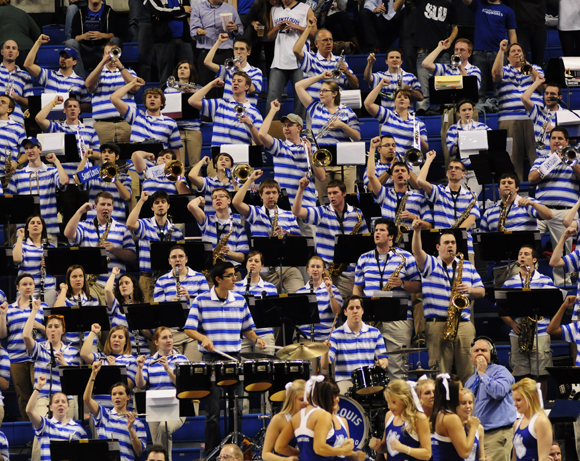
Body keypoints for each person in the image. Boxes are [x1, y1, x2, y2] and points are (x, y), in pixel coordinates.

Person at [183, 262, 266, 457]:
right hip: (211, 359)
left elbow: (246, 328)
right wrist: (203, 338)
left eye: (235, 275)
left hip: (233, 358)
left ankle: (234, 452)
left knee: (236, 410)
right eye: (230, 276)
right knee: (212, 412)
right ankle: (213, 454)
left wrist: (257, 339)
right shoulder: (201, 300)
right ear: (218, 279)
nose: (235, 279)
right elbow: (189, 328)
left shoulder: (239, 300)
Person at [411, 227, 485, 383]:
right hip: (437, 323)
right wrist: (416, 232)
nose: (450, 245)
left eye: (453, 242)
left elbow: (482, 292)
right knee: (440, 372)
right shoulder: (430, 263)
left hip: (463, 324)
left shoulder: (467, 266)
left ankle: (467, 403)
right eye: (446, 243)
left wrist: (469, 289)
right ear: (438, 247)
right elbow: (417, 251)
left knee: (468, 371)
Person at [353, 218, 421, 379]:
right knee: (368, 364)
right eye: (376, 230)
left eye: (382, 230)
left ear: (391, 236)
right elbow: (357, 288)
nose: (377, 233)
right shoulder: (364, 258)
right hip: (371, 318)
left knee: (397, 366)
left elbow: (418, 286)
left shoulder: (406, 257)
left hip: (399, 318)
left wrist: (402, 283)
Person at [293, 177, 369, 300]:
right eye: (329, 193)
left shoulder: (357, 214)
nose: (331, 197)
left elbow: (364, 242)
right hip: (326, 271)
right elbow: (296, 211)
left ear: (344, 194)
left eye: (335, 193)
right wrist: (301, 189)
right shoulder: (322, 212)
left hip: (348, 271)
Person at [231, 170, 304, 293]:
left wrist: (285, 234)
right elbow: (236, 202)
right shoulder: (255, 212)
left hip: (287, 268)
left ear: (278, 194)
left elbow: (299, 241)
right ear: (261, 195)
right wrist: (251, 180)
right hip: (263, 271)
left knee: (300, 296)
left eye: (274, 193)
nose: (271, 196)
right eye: (267, 193)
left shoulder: (289, 215)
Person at [258, 105, 325, 235]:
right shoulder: (279, 146)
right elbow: (261, 134)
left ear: (299, 128)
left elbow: (321, 177)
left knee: (308, 246)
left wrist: (311, 154)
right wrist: (272, 111)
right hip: (284, 207)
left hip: (306, 205)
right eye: (284, 126)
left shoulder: (310, 148)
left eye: (290, 125)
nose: (286, 128)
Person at [35, 94, 100, 224]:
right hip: (66, 179)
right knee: (69, 217)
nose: (72, 109)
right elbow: (39, 118)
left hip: (85, 178)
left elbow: (99, 154)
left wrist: (90, 153)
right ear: (64, 110)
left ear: (79, 110)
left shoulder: (90, 130)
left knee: (85, 217)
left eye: (75, 106)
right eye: (69, 106)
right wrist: (53, 103)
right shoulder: (58, 128)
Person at [500, 246, 556, 396]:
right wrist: (512, 324)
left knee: (540, 376)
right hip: (518, 334)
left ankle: (540, 408)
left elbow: (554, 305)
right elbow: (501, 309)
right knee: (521, 377)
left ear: (535, 259)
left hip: (541, 333)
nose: (522, 256)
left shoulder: (545, 280)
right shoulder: (509, 283)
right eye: (520, 254)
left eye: (526, 254)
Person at [64, 191, 137, 304]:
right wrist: (79, 212)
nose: (105, 208)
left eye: (108, 205)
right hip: (91, 285)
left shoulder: (122, 229)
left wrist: (114, 250)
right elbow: (68, 234)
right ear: (95, 207)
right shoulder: (84, 225)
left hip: (116, 285)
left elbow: (132, 256)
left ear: (112, 207)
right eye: (102, 204)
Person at [295, 70, 361, 195]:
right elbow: (298, 86)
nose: (321, 93)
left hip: (344, 162)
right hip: (321, 161)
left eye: (325, 91)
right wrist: (320, 77)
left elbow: (357, 136)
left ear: (335, 93)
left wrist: (342, 125)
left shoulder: (347, 111)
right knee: (324, 199)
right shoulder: (315, 107)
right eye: (320, 91)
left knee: (346, 198)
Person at [530, 127, 580, 286]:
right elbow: (531, 179)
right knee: (526, 244)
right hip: (541, 212)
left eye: (560, 138)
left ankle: (563, 291)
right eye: (553, 138)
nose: (556, 141)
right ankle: (530, 282)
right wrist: (552, 161)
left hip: (564, 215)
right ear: (549, 141)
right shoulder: (541, 160)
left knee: (562, 255)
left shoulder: (575, 158)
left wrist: (570, 161)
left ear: (567, 142)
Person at [492, 40, 544, 182]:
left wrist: (525, 63)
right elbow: (496, 74)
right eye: (513, 51)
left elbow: (541, 85)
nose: (516, 53)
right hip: (509, 119)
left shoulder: (535, 68)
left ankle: (539, 190)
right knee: (512, 160)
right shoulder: (505, 69)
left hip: (534, 119)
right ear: (508, 57)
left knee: (538, 156)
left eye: (519, 51)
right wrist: (501, 51)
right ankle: (516, 194)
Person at [275, 375, 356, 459]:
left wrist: (302, 453)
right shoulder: (323, 415)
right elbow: (319, 448)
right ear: (324, 396)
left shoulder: (297, 417)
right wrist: (342, 451)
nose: (337, 399)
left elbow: (279, 447)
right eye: (333, 395)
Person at [136, 327, 188, 458]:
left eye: (170, 337)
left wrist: (168, 370)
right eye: (164, 338)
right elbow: (140, 385)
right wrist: (140, 368)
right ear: (156, 342)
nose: (169, 340)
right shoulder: (149, 361)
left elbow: (183, 384)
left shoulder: (181, 359)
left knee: (164, 429)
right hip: (154, 406)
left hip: (177, 405)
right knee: (157, 446)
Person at [0, 274, 46, 420]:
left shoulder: (42, 306)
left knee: (38, 395)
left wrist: (39, 326)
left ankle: (40, 426)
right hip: (16, 357)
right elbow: (2, 335)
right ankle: (28, 430)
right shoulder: (10, 309)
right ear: (18, 287)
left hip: (37, 357)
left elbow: (52, 331)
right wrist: (1, 315)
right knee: (23, 396)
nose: (28, 287)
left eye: (31, 284)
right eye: (24, 284)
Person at [23, 302, 80, 420]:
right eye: (49, 327)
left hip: (65, 399)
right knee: (43, 432)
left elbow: (77, 380)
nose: (52, 330)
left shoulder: (72, 351)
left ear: (63, 330)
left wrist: (64, 365)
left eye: (56, 326)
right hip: (44, 397)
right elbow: (26, 336)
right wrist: (34, 311)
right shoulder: (40, 348)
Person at [417, 153, 480, 259]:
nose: (453, 170)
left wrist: (454, 238)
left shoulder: (471, 195)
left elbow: (471, 220)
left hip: (465, 247)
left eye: (457, 168)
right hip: (443, 247)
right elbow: (420, 181)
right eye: (450, 168)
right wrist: (428, 160)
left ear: (463, 174)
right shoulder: (439, 192)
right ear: (447, 173)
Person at [153, 245, 209, 363]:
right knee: (172, 368)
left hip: (193, 331)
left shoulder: (200, 278)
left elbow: (206, 305)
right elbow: (158, 310)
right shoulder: (161, 281)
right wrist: (170, 306)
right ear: (169, 261)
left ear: (186, 259)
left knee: (192, 368)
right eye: (174, 257)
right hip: (172, 332)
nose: (177, 259)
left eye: (180, 256)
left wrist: (190, 298)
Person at [464, 337, 517, 461]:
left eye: (484, 350)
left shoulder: (502, 372)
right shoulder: (470, 380)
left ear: (491, 354)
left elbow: (498, 392)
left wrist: (483, 374)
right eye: (476, 350)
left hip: (497, 435)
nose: (480, 353)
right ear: (471, 357)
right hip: (476, 435)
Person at [127, 190, 185, 301]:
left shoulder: (176, 232)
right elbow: (129, 223)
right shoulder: (145, 224)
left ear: (168, 206)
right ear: (152, 207)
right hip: (147, 279)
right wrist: (141, 201)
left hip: (169, 278)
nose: (160, 205)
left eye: (163, 202)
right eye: (156, 202)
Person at [322, 295, 388, 393]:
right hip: (345, 380)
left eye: (358, 307)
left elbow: (384, 360)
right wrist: (325, 351)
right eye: (351, 308)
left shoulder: (375, 333)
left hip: (368, 380)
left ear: (362, 310)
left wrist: (382, 363)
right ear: (345, 312)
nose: (355, 311)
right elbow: (324, 365)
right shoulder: (335, 335)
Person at [7, 138, 69, 241]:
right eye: (26, 148)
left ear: (40, 149)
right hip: (25, 231)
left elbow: (64, 181)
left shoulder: (51, 171)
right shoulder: (18, 175)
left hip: (48, 230)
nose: (29, 151)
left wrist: (56, 161)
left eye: (32, 147)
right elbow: (8, 203)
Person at [84, 361, 147, 461]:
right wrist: (94, 373)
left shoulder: (137, 423)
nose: (117, 396)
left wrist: (130, 429)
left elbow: (139, 451)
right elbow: (87, 399)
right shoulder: (104, 414)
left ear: (128, 397)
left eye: (120, 393)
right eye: (114, 394)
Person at [458, 0, 517, 105]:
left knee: (500, 87)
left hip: (499, 53)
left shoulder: (508, 10)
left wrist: (513, 53)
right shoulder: (479, 4)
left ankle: (499, 108)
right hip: (479, 52)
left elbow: (512, 34)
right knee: (478, 89)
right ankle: (477, 109)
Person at [265, 0, 316, 121]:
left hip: (300, 61)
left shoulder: (306, 8)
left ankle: (298, 129)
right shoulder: (274, 9)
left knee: (301, 99)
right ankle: (271, 130)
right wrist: (277, 27)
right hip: (279, 61)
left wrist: (295, 27)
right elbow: (269, 36)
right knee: (272, 97)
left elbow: (314, 33)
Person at [111, 79, 183, 160]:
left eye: (155, 97)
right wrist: (132, 83)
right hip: (135, 167)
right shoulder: (135, 115)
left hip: (159, 168)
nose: (152, 99)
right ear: (145, 102)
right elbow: (114, 98)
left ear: (162, 103)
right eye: (149, 97)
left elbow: (175, 152)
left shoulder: (171, 123)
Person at [84, 42, 139, 144]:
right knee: (103, 159)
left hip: (126, 124)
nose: (110, 56)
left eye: (113, 52)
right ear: (103, 56)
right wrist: (103, 62)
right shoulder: (98, 73)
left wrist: (121, 67)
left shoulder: (129, 72)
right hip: (102, 125)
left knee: (126, 158)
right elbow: (88, 85)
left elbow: (135, 88)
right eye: (107, 53)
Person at [366, 144, 432, 227]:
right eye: (396, 171)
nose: (400, 172)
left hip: (412, 238)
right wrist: (372, 148)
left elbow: (429, 226)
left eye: (403, 170)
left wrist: (413, 218)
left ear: (409, 176)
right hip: (389, 238)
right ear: (392, 177)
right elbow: (371, 176)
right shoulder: (384, 194)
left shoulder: (419, 198)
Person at [188, 74, 263, 147]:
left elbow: (260, 142)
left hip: (240, 155)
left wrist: (250, 124)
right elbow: (192, 101)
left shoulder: (254, 112)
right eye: (233, 81)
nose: (235, 83)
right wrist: (212, 84)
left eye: (239, 81)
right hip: (219, 156)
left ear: (247, 87)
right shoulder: (220, 103)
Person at [26, 375, 88, 461]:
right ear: (50, 407)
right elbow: (29, 411)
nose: (60, 404)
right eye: (56, 402)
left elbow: (85, 455)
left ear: (68, 407)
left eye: (63, 401)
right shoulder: (45, 425)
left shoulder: (79, 429)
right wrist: (39, 387)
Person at [413, 0, 458, 115]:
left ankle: (444, 108)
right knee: (423, 85)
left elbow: (455, 27)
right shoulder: (421, 2)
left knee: (443, 84)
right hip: (424, 51)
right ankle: (422, 110)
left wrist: (451, 40)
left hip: (442, 51)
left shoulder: (448, 4)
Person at [294, 20, 359, 99]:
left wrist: (347, 72)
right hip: (317, 107)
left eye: (330, 39)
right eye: (325, 40)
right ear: (316, 43)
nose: (329, 43)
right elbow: (296, 50)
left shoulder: (340, 60)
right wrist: (308, 28)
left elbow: (356, 85)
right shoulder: (311, 59)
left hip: (337, 107)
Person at [369, 379, 432, 460]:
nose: (389, 406)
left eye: (393, 402)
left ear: (404, 399)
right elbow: (386, 448)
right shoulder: (389, 415)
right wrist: (378, 446)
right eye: (388, 402)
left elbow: (427, 454)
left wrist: (404, 449)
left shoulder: (419, 418)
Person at [188, 190, 249, 269]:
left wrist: (229, 253)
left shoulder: (238, 228)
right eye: (214, 197)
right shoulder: (206, 221)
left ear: (229, 200)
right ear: (212, 203)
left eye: (221, 196)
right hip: (210, 270)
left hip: (232, 270)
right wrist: (200, 198)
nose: (218, 199)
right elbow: (191, 205)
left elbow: (243, 257)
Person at [81, 324, 138, 409]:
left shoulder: (132, 360)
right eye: (113, 336)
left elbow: (128, 385)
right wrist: (93, 332)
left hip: (122, 410)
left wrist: (112, 369)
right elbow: (84, 354)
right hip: (100, 408)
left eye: (120, 337)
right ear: (109, 339)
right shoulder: (101, 357)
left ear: (126, 341)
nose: (116, 340)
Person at [189, 0, 244, 88]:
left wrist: (236, 28)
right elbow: (193, 33)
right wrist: (199, 32)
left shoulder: (230, 9)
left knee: (227, 88)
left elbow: (240, 32)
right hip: (205, 54)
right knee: (207, 89)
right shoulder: (198, 9)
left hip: (225, 54)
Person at [74, 143, 132, 225]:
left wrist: (113, 176)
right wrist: (85, 158)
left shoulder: (125, 177)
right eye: (104, 152)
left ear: (117, 157)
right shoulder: (94, 174)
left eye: (110, 152)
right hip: (93, 222)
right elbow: (76, 180)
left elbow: (127, 196)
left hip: (116, 222)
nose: (106, 154)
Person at [234, 251, 279, 354]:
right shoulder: (236, 287)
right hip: (242, 336)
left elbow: (273, 314)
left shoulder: (270, 288)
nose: (252, 263)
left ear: (262, 266)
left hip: (264, 335)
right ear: (246, 264)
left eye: (256, 261)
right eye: (250, 260)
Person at [364, 87, 429, 158]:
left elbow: (424, 149)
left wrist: (418, 137)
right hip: (388, 161)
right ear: (394, 102)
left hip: (408, 163)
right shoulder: (387, 115)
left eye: (406, 97)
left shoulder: (419, 123)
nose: (402, 99)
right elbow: (368, 104)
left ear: (409, 103)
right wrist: (381, 85)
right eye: (399, 97)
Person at [295, 256, 342, 348]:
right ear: (307, 269)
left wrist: (330, 292)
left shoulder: (333, 289)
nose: (315, 270)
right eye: (312, 266)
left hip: (326, 338)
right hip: (306, 338)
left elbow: (337, 312)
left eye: (318, 267)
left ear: (323, 270)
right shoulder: (300, 292)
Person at [480, 172, 552, 232]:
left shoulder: (528, 202)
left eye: (510, 183)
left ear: (517, 188)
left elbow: (549, 215)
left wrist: (532, 203)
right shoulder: (489, 212)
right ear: (499, 189)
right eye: (503, 183)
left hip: (524, 247)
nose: (506, 185)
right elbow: (482, 238)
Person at [431, 374, 480, 460]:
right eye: (461, 389)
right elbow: (465, 453)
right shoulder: (451, 418)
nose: (463, 392)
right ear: (453, 393)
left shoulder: (439, 414)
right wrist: (473, 427)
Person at [66, 0, 120, 78]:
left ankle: (109, 77)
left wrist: (102, 35)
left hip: (103, 49)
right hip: (84, 49)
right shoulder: (80, 13)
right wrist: (84, 36)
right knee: (70, 43)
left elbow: (115, 34)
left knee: (115, 41)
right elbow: (74, 36)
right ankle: (80, 80)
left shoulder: (109, 12)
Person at [144, 0, 193, 86]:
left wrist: (166, 15)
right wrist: (181, 10)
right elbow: (158, 11)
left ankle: (187, 99)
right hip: (163, 41)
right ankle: (165, 98)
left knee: (188, 76)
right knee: (165, 77)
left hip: (184, 39)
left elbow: (188, 12)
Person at [204, 35, 262, 106]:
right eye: (236, 49)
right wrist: (218, 42)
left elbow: (252, 90)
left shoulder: (256, 71)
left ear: (248, 52)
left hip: (246, 112)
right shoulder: (228, 69)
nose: (238, 52)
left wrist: (240, 70)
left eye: (242, 49)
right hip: (228, 110)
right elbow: (207, 62)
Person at [105, 267, 151, 357]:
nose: (123, 285)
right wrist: (114, 274)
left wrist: (138, 323)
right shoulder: (116, 306)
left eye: (127, 283)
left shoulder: (143, 307)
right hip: (121, 353)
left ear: (134, 287)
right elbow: (107, 290)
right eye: (120, 284)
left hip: (142, 352)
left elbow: (152, 336)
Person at [12, 216, 57, 307]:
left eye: (38, 223)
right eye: (32, 223)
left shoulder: (50, 247)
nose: (35, 225)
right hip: (26, 288)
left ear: (43, 227)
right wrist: (20, 238)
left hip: (48, 288)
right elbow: (17, 259)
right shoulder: (21, 245)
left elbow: (58, 270)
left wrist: (49, 265)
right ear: (27, 228)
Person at [164, 61, 203, 167]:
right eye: (180, 67)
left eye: (185, 68)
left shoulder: (198, 89)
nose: (182, 70)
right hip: (176, 131)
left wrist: (191, 94)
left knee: (195, 165)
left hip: (194, 131)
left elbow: (203, 107)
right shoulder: (169, 90)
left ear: (191, 72)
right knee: (177, 165)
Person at [54, 265, 99, 350]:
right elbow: (56, 313)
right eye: (74, 276)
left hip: (89, 344)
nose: (78, 279)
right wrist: (64, 289)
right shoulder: (64, 299)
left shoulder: (93, 300)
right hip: (69, 345)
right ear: (68, 280)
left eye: (80, 276)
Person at [262, 379, 306, 461]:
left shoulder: (314, 417)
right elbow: (265, 454)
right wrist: (286, 460)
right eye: (302, 399)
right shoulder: (279, 419)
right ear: (291, 399)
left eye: (309, 399)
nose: (306, 403)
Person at [511, 377, 553, 461]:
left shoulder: (541, 422)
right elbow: (514, 458)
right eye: (514, 400)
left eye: (518, 400)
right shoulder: (517, 424)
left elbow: (543, 458)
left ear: (531, 398)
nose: (515, 404)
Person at [188, 153, 237, 217]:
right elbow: (191, 176)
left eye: (227, 160)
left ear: (231, 167)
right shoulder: (208, 181)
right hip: (211, 222)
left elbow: (241, 201)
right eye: (221, 159)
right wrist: (202, 161)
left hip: (232, 221)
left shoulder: (236, 183)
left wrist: (234, 183)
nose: (223, 161)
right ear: (216, 165)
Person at [521, 78, 563, 154]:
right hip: (541, 159)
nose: (548, 96)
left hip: (560, 158)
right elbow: (524, 98)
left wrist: (555, 131)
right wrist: (537, 82)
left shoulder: (566, 114)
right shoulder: (538, 111)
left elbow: (573, 139)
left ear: (560, 97)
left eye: (552, 94)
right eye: (546, 93)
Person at [0, 40, 33, 126]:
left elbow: (31, 104)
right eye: (7, 48)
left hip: (17, 120)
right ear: (2, 52)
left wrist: (17, 97)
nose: (11, 50)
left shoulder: (25, 76)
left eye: (13, 48)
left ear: (17, 53)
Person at [0, 3, 41, 68]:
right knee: (26, 77)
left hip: (5, 50)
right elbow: (37, 34)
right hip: (27, 51)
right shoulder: (21, 12)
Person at [0, 94, 24, 183]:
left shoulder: (18, 128)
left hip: (9, 176)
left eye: (3, 102)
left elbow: (25, 152)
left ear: (9, 109)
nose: (0, 103)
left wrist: (16, 163)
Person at [457, 388, 486, 461]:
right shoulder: (454, 427)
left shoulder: (479, 428)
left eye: (470, 403)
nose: (467, 406)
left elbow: (481, 456)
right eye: (463, 403)